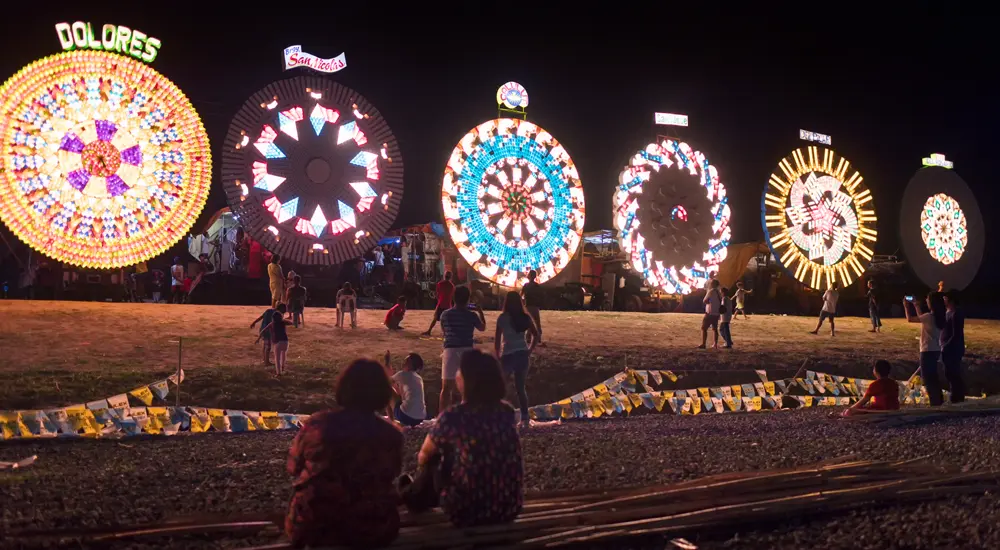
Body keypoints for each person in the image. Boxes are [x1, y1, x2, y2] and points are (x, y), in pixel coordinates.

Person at [285, 360, 403, 548]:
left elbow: (293, 468)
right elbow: (392, 473)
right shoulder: (392, 436)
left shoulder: (317, 425)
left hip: (316, 525)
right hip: (374, 528)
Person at [400, 350, 523, 527]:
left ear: (466, 379)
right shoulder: (507, 412)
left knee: (436, 459)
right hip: (509, 507)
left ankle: (412, 496)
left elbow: (423, 456)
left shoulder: (454, 416)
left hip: (469, 511)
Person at [494, 291, 539, 428]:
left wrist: (498, 354)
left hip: (507, 354)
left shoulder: (502, 318)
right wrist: (529, 350)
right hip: (522, 353)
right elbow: (536, 335)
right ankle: (525, 418)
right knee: (520, 388)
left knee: (501, 388)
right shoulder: (525, 317)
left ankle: (499, 417)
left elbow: (497, 340)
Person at [439, 286, 486, 414]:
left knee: (446, 388)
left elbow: (444, 331)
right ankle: (464, 416)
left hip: (450, 349)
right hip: (466, 351)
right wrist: (480, 312)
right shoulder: (471, 315)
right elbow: (482, 328)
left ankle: (441, 418)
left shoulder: (445, 314)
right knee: (465, 387)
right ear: (467, 299)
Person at [903, 291, 947, 406]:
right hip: (936, 350)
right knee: (933, 377)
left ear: (931, 303)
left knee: (927, 378)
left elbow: (910, 319)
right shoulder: (940, 317)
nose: (926, 301)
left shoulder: (928, 317)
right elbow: (921, 318)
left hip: (927, 351)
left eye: (927, 299)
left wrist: (906, 306)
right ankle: (938, 401)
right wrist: (916, 305)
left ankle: (935, 403)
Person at [385, 350, 426, 427]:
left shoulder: (402, 374)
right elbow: (398, 392)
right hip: (420, 417)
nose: (403, 363)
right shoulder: (418, 378)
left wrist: (387, 362)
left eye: (406, 361)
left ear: (410, 365)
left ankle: (391, 423)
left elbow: (386, 381)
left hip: (406, 416)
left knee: (385, 388)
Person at [941, 290, 966, 403]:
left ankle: (957, 397)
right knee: (948, 372)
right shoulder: (947, 311)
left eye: (945, 299)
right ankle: (955, 395)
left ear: (950, 300)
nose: (943, 301)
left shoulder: (956, 313)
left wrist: (946, 346)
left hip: (954, 348)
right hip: (947, 346)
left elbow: (956, 334)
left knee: (953, 372)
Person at [257, 307, 292, 375]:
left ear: (273, 318)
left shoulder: (272, 324)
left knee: (277, 359)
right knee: (283, 355)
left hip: (277, 343)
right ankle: (283, 367)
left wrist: (258, 339)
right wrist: (283, 320)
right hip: (285, 342)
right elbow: (291, 322)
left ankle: (278, 373)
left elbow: (263, 331)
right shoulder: (283, 322)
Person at [422, 272, 455, 336]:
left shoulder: (440, 284)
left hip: (441, 303)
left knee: (435, 318)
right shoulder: (452, 286)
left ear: (444, 276)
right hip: (448, 305)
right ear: (451, 277)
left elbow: (437, 295)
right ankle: (446, 333)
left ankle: (429, 331)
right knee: (448, 320)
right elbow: (452, 296)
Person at [520, 270, 545, 344]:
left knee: (529, 323)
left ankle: (528, 338)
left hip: (528, 306)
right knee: (537, 323)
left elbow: (521, 295)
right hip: (535, 306)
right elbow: (541, 296)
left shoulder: (526, 285)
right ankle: (538, 337)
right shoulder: (537, 286)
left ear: (529, 276)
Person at [699, 279, 723, 349]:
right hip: (716, 313)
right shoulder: (719, 292)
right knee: (715, 329)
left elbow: (705, 300)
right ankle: (715, 344)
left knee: (704, 328)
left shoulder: (711, 291)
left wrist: (709, 304)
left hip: (710, 312)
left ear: (712, 284)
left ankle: (703, 344)